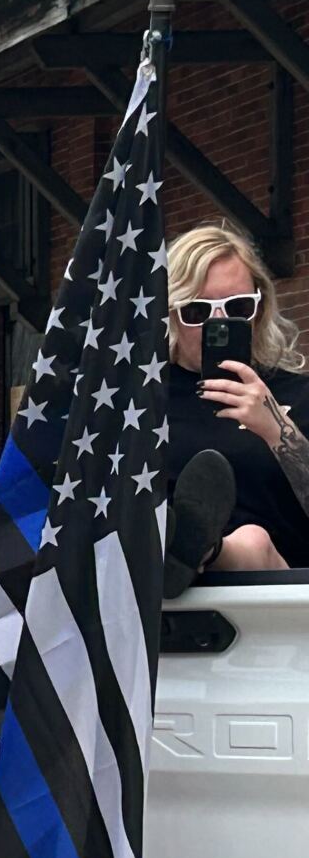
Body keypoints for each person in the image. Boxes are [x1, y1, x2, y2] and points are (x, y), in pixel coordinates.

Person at [163, 223, 309, 590]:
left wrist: (275, 428)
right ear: (170, 314)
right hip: (159, 604)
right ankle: (181, 544)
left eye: (238, 307)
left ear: (260, 308)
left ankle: (202, 550)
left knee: (254, 540)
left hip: (277, 594)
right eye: (196, 311)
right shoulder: (142, 402)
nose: (219, 323)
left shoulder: (297, 393)